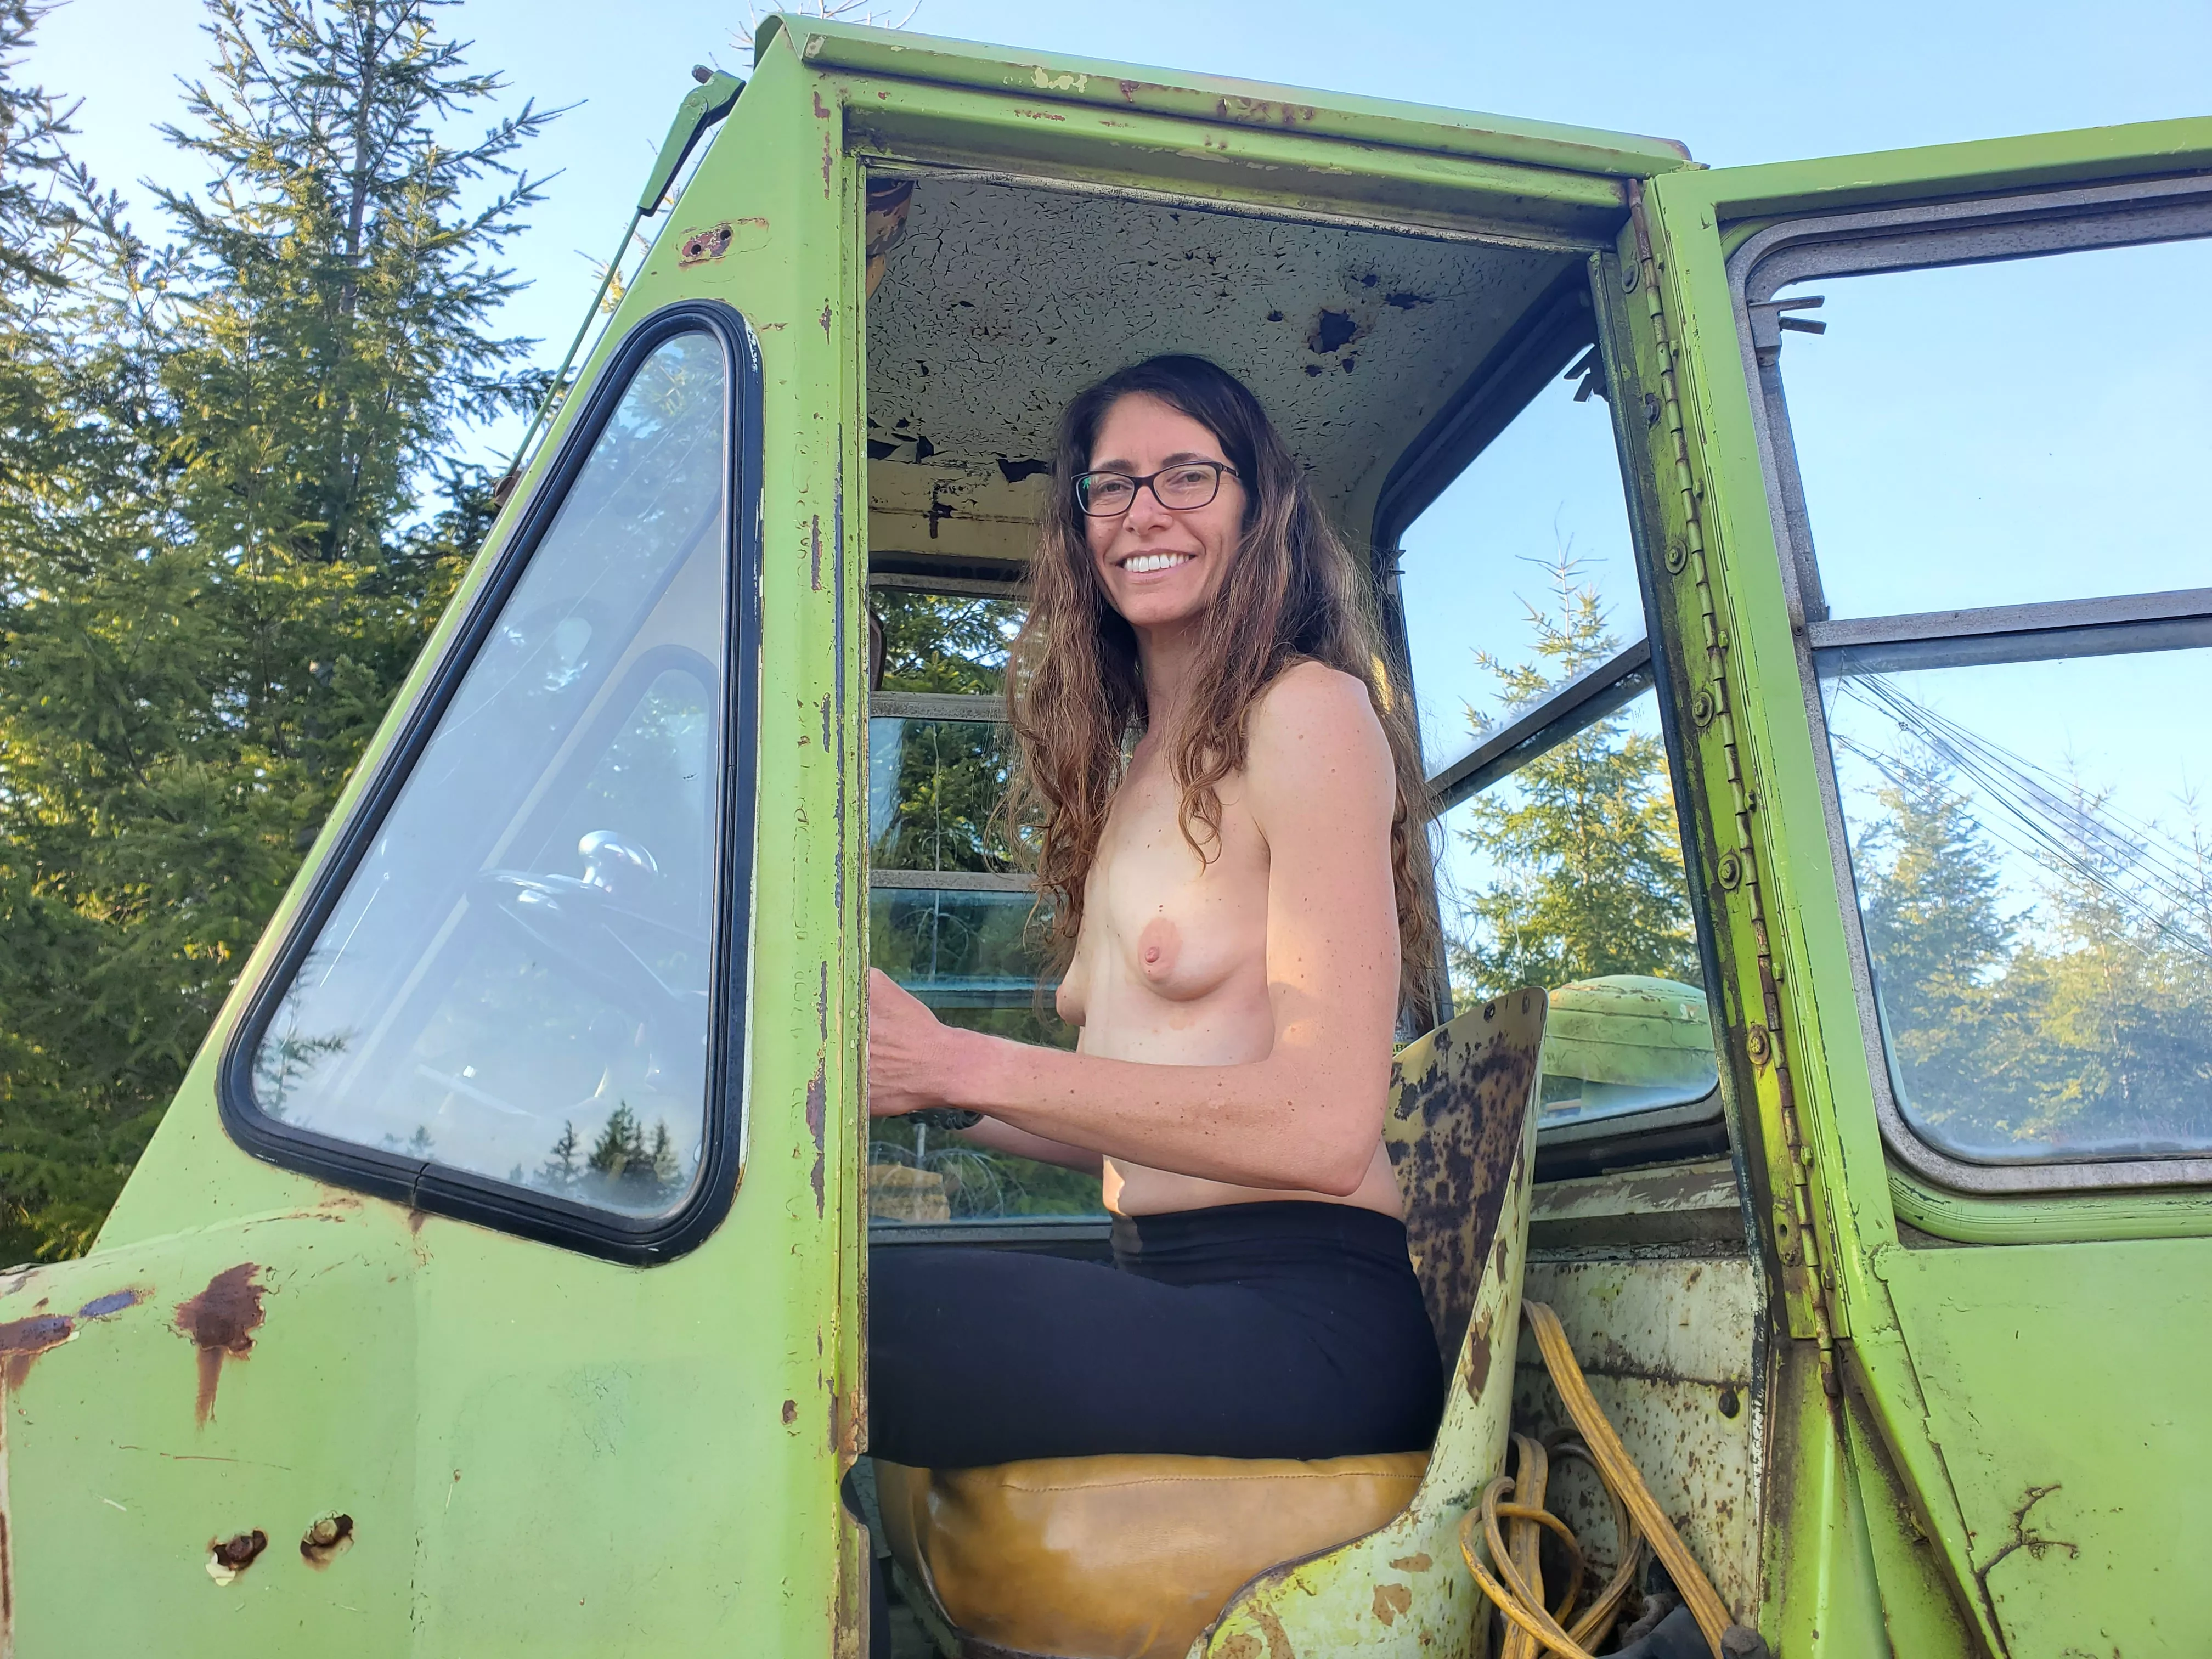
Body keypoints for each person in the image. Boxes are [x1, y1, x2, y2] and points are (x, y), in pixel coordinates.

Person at [866, 354, 1446, 1475]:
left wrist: (961, 1061)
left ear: (1257, 506)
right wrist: (906, 1089)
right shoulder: (1138, 776)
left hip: (1308, 1323)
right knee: (802, 1286)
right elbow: (1126, 1122)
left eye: (1189, 476)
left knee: (833, 1326)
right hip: (1170, 1291)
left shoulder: (1308, 714)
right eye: (1113, 485)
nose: (1145, 512)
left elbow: (1323, 1130)